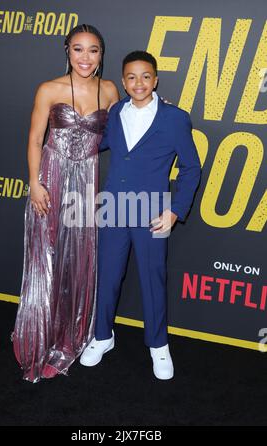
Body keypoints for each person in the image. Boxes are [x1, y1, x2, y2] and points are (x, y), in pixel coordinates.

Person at [80, 51, 201, 380]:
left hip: (154, 213)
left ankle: (158, 345)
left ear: (155, 79)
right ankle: (102, 336)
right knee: (107, 276)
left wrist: (175, 211)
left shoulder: (175, 118)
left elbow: (191, 168)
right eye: (131, 77)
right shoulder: (116, 111)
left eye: (145, 76)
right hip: (114, 209)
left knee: (153, 278)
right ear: (123, 81)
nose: (139, 83)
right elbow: (99, 144)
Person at [12, 24, 119, 383]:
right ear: (67, 51)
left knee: (77, 262)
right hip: (51, 178)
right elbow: (33, 138)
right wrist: (34, 183)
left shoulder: (109, 90)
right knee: (47, 260)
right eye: (78, 49)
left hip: (86, 183)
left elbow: (123, 133)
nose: (85, 58)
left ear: (101, 54)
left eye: (93, 50)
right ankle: (39, 337)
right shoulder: (49, 89)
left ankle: (68, 338)